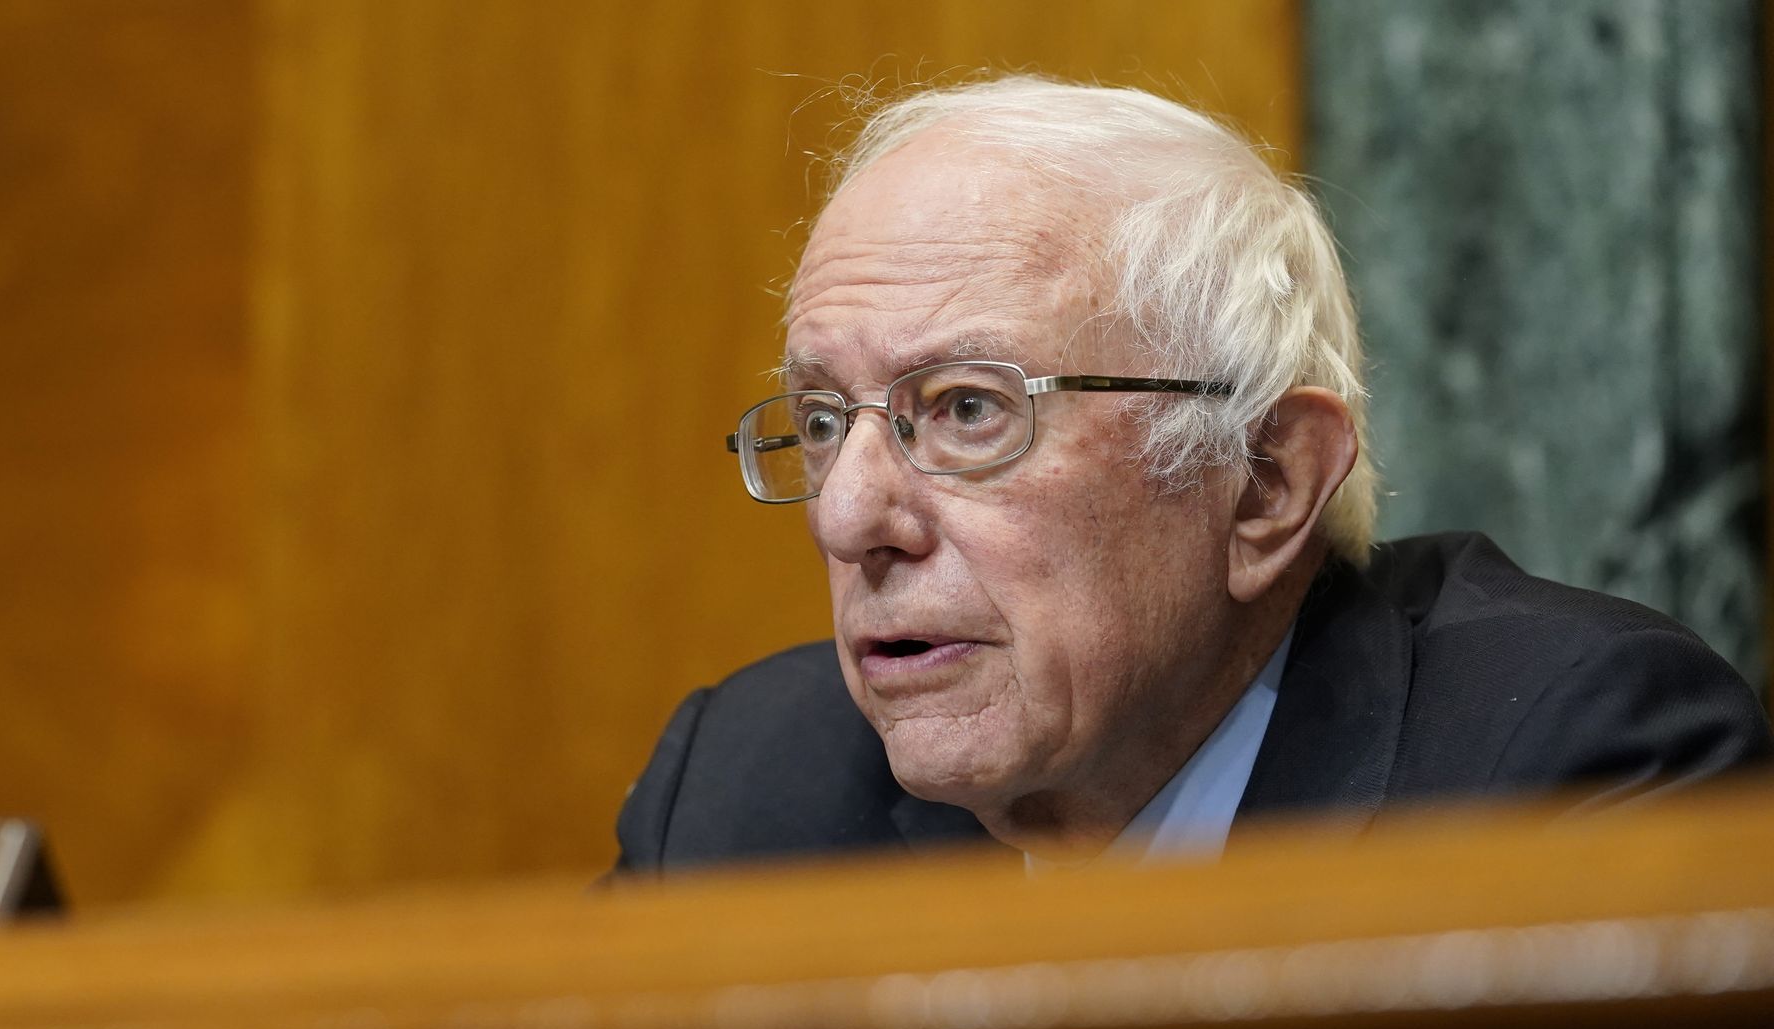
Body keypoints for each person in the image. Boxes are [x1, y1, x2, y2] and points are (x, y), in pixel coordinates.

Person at [613, 76, 1769, 874]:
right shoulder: (740, 796)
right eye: (824, 420)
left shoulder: (1567, 778)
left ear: (1266, 482)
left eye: (968, 409)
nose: (848, 512)